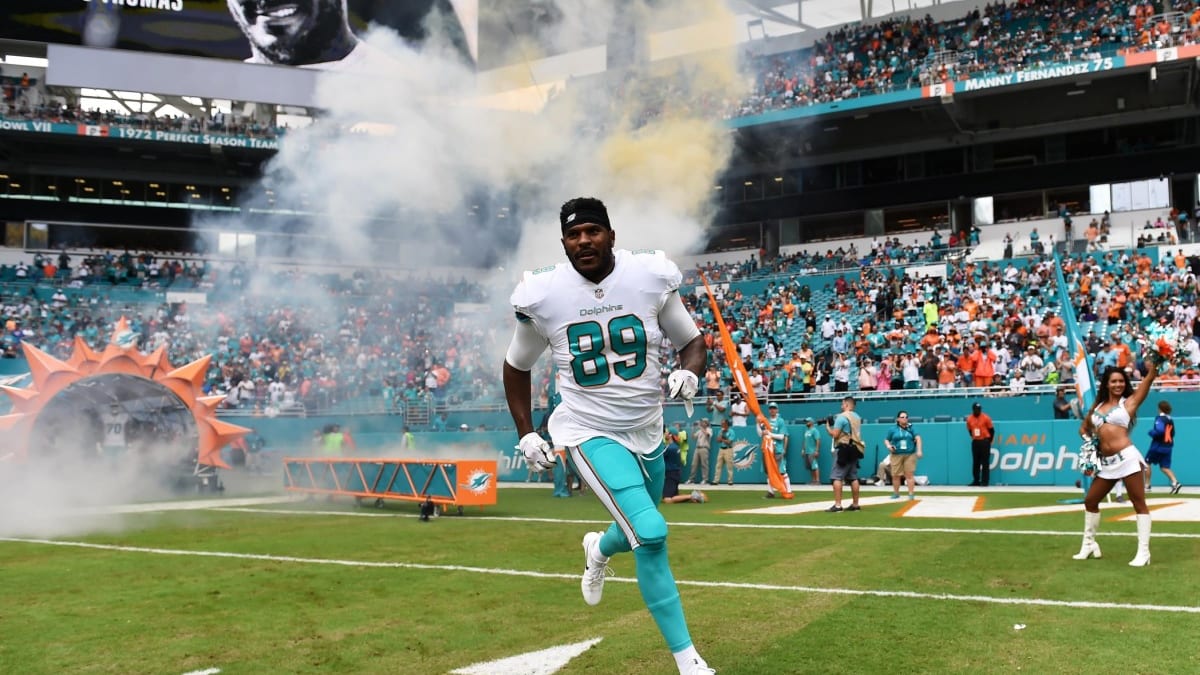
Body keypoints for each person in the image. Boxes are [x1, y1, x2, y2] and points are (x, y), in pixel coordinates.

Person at [501, 197, 714, 674]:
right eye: (574, 235)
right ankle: (689, 661)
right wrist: (526, 432)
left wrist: (691, 373)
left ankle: (598, 548)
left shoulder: (648, 276)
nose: (584, 241)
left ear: (611, 235)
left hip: (647, 428)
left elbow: (691, 340)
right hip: (586, 430)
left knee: (638, 527)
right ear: (564, 243)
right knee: (653, 534)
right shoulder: (544, 293)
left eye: (593, 231)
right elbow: (516, 365)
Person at [1076, 362, 1160, 566]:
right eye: (1114, 381)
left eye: (1121, 381)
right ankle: (1089, 545)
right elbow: (1084, 429)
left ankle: (1143, 553)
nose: (1118, 384)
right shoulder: (1096, 407)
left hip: (1127, 458)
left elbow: (1148, 381)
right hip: (1106, 464)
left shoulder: (1129, 403)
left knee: (1138, 502)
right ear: (1106, 384)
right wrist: (1091, 445)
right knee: (1091, 501)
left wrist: (1155, 364)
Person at [825, 396, 864, 512]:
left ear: (846, 404)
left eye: (842, 404)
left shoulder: (841, 417)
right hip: (855, 448)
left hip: (843, 448)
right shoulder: (857, 417)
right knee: (853, 477)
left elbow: (835, 435)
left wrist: (827, 427)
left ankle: (837, 505)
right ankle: (855, 504)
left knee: (836, 477)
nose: (841, 406)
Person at [1144, 400, 1182, 494]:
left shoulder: (1160, 419)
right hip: (1168, 446)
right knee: (1164, 467)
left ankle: (1147, 486)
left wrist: (1151, 432)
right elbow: (1173, 433)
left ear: (1160, 409)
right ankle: (1175, 482)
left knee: (1146, 463)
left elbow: (1160, 431)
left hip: (1158, 446)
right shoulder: (1170, 419)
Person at [884, 411, 922, 500]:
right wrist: (889, 446)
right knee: (896, 475)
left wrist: (919, 450)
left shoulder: (912, 428)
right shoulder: (892, 429)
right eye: (902, 417)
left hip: (910, 454)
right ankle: (896, 493)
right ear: (898, 419)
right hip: (896, 454)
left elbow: (918, 438)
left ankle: (911, 493)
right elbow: (886, 440)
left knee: (909, 474)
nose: (905, 418)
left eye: (906, 417)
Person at [760, 402, 793, 499]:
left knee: (782, 471)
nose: (772, 410)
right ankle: (771, 492)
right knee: (769, 471)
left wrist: (770, 434)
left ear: (777, 410)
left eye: (774, 408)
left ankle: (788, 491)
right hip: (768, 449)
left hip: (777, 449)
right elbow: (761, 434)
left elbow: (782, 436)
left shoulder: (780, 421)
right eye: (770, 408)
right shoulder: (765, 421)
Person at [965, 402, 994, 487]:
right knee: (976, 462)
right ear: (973, 410)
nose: (978, 411)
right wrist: (974, 437)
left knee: (985, 462)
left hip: (984, 441)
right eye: (977, 409)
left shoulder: (986, 417)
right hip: (975, 442)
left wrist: (988, 441)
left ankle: (985, 481)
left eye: (979, 409)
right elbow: (970, 430)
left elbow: (992, 430)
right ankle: (976, 480)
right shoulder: (969, 419)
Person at [686, 419, 712, 485]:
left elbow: (707, 435)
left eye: (704, 422)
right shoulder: (699, 431)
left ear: (707, 423)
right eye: (702, 422)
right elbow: (693, 437)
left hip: (704, 448)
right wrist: (693, 429)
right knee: (694, 464)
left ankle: (705, 479)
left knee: (704, 465)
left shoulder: (709, 429)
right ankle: (691, 479)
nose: (702, 423)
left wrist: (700, 427)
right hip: (697, 449)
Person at [713, 419, 735, 485]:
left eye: (723, 423)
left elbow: (729, 442)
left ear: (727, 424)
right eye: (721, 423)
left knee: (729, 466)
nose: (722, 425)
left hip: (728, 449)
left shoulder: (731, 431)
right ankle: (716, 480)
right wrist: (722, 435)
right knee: (718, 465)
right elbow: (718, 440)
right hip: (721, 449)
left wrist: (722, 439)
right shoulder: (720, 431)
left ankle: (730, 481)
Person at [801, 417, 821, 485]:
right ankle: (813, 480)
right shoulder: (806, 431)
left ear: (812, 422)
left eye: (808, 421)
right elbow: (804, 441)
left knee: (815, 466)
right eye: (806, 421)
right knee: (810, 467)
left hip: (812, 451)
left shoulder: (815, 430)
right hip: (807, 452)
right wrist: (803, 449)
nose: (806, 423)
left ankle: (817, 481)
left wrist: (817, 451)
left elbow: (818, 440)